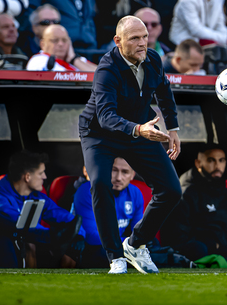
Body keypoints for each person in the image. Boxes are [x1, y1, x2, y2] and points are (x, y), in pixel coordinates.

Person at [78, 15, 183, 274]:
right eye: (134, 38)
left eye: (145, 36)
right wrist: (139, 129)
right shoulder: (106, 69)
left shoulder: (154, 59)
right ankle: (115, 257)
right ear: (118, 41)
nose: (142, 43)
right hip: (99, 133)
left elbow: (164, 94)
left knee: (171, 190)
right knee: (100, 182)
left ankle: (135, 244)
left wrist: (173, 130)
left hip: (139, 129)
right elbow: (105, 116)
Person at [0, 150, 86, 268]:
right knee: (11, 239)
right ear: (27, 177)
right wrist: (51, 236)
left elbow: (63, 216)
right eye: (41, 173)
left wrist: (78, 235)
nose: (45, 177)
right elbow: (15, 223)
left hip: (23, 248)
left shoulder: (35, 195)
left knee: (67, 250)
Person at [168, 144, 227, 267]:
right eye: (211, 160)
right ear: (198, 163)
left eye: (221, 160)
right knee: (199, 249)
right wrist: (213, 243)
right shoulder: (186, 195)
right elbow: (179, 237)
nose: (217, 165)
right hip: (202, 251)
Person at [73, 157, 144, 268]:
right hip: (96, 249)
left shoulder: (135, 193)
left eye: (125, 172)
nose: (118, 178)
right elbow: (91, 236)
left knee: (152, 245)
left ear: (132, 175)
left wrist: (137, 243)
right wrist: (129, 244)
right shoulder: (86, 191)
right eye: (113, 170)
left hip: (123, 246)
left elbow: (138, 232)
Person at [26, 24, 97, 71]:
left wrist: (74, 60)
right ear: (43, 44)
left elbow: (103, 76)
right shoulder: (37, 60)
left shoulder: (77, 61)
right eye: (55, 40)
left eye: (64, 40)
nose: (60, 44)